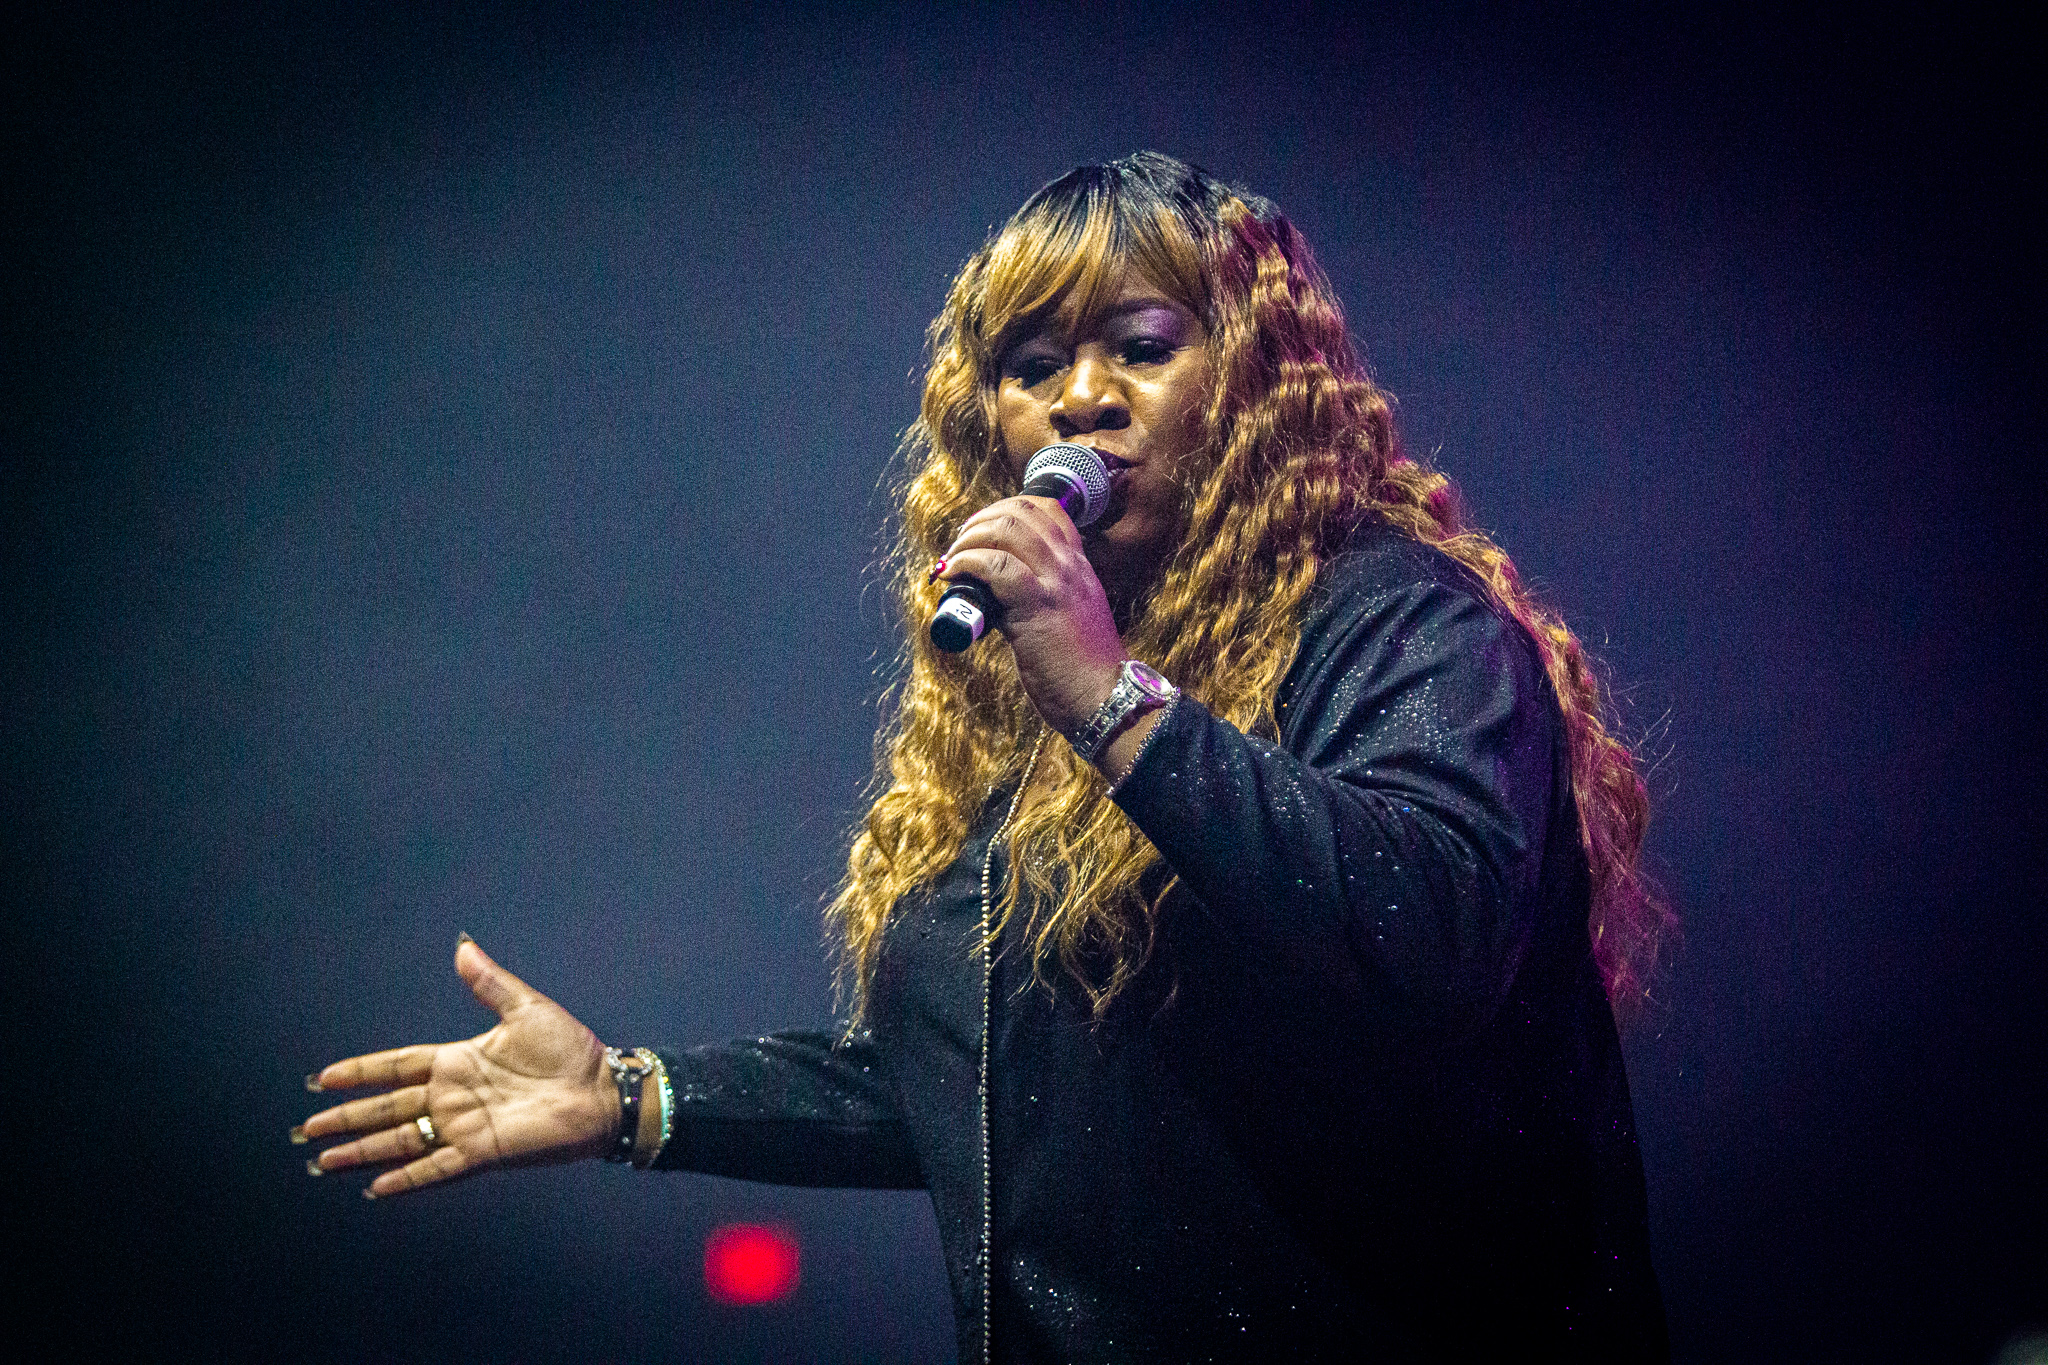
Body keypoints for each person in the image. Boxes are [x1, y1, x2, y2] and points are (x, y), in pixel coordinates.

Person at [296, 152, 1673, 1361]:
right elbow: (992, 1087)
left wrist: (1111, 697)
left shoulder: (1399, 620)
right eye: (1032, 367)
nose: (1083, 399)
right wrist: (634, 1097)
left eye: (1141, 346)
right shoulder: (1030, 705)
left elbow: (1429, 925)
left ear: (1255, 381)